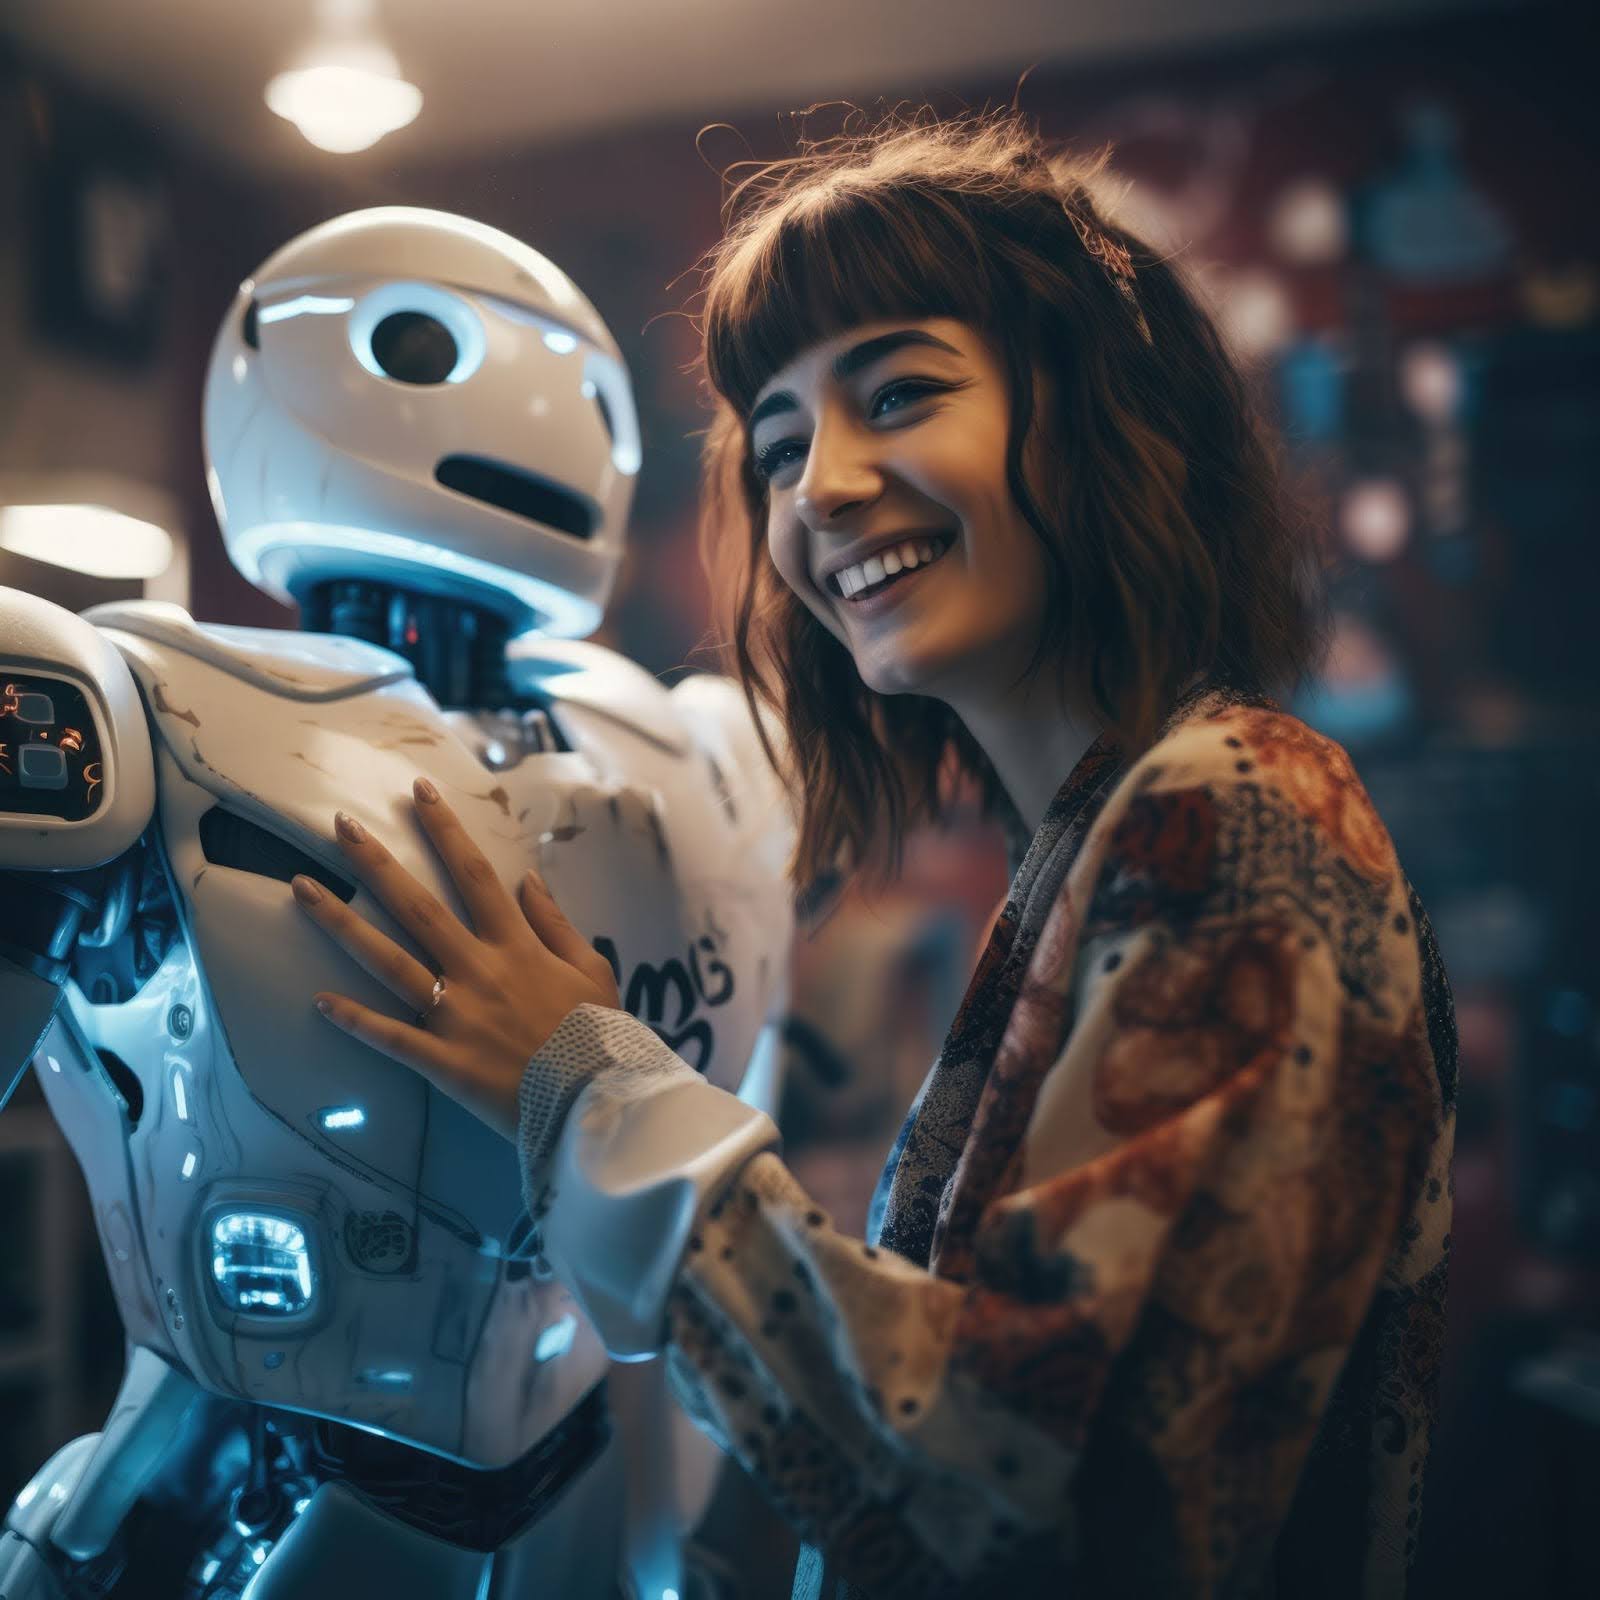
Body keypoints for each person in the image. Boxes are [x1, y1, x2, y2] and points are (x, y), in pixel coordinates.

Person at [292, 109, 1457, 1598]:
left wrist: (583, 1086)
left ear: (1098, 408)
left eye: (900, 394)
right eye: (780, 448)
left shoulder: (1239, 801)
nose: (821, 489)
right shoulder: (1098, 833)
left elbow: (1020, 1489)